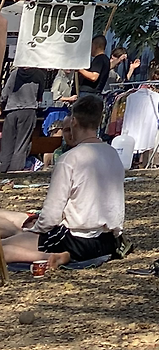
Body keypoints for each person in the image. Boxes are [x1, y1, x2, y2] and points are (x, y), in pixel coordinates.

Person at [0, 94, 124, 273]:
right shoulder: (113, 154)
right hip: (107, 241)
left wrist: (36, 230)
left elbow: (52, 213)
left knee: (2, 249)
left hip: (74, 240)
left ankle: (51, 257)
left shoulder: (70, 159)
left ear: (74, 121)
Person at [0, 65, 46, 174]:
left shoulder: (15, 73)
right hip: (29, 109)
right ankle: (14, 172)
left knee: (7, 143)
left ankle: (2, 169)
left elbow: (5, 93)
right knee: (21, 144)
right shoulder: (39, 74)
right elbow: (40, 93)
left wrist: (2, 103)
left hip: (11, 110)